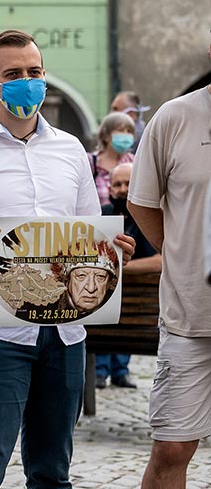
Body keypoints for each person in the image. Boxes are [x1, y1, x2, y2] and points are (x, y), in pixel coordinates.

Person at [0, 29, 135, 489]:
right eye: (13, 74)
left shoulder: (71, 150)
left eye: (34, 73)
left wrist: (111, 249)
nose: (27, 82)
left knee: (53, 472)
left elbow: (87, 231)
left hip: (64, 333)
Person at [128, 81, 211, 489]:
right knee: (172, 449)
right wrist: (181, 254)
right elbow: (141, 201)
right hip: (190, 317)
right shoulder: (175, 116)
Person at [94, 162, 161, 389]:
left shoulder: (145, 219)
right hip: (130, 318)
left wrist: (119, 267)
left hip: (128, 310)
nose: (122, 189)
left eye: (128, 184)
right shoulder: (100, 215)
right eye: (117, 184)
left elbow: (161, 260)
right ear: (110, 189)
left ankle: (113, 371)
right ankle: (108, 372)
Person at [90, 112, 136, 206]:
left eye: (129, 131)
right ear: (106, 136)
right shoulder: (91, 162)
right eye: (121, 130)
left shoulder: (135, 162)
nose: (126, 135)